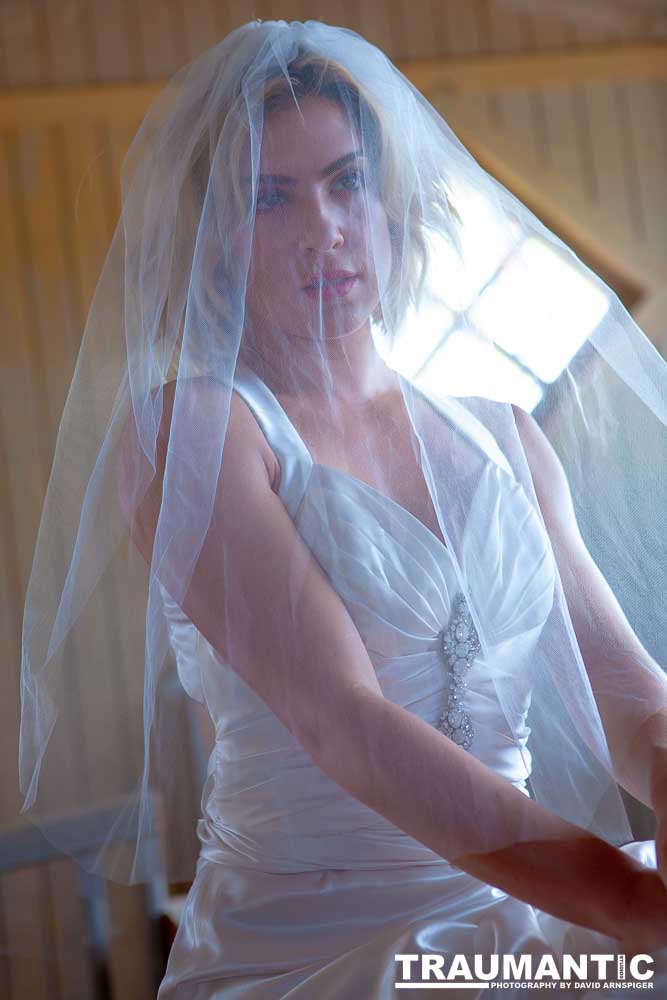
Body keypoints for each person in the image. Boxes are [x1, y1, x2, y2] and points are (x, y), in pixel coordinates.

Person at [18, 19, 667, 998]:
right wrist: (628, 901)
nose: (321, 225)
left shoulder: (506, 439)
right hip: (321, 949)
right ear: (214, 241)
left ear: (389, 198)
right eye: (268, 198)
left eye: (344, 180)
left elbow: (634, 703)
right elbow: (344, 725)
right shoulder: (192, 431)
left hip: (535, 914)